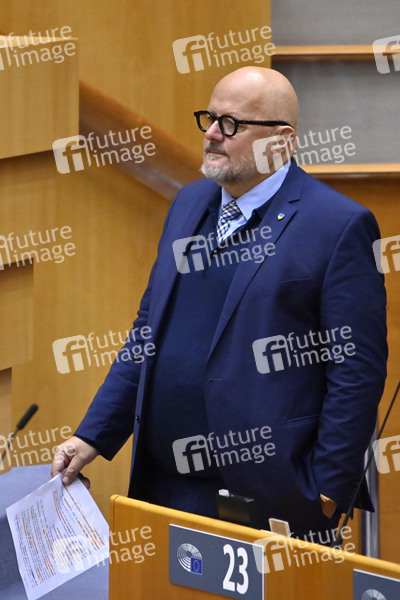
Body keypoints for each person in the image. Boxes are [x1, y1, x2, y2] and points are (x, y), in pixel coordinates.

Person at [52, 67, 387, 541]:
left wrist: (326, 492)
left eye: (231, 124)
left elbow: (356, 373)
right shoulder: (189, 203)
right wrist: (93, 434)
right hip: (163, 485)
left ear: (281, 140)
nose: (212, 133)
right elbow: (148, 331)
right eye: (209, 118)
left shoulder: (338, 225)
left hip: (269, 496)